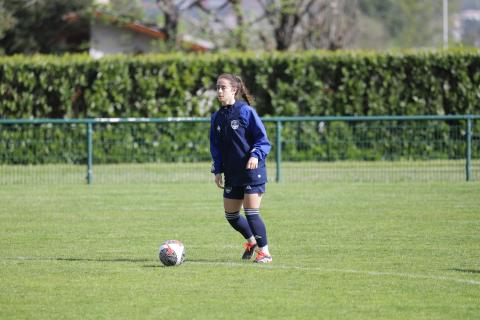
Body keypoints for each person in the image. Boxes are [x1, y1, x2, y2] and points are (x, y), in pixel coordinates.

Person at [209, 73, 273, 263]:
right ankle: (251, 242)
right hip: (232, 172)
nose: (219, 91)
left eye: (223, 87)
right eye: (218, 87)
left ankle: (265, 253)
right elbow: (216, 147)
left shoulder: (246, 111)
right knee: (231, 215)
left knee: (251, 212)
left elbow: (263, 140)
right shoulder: (217, 117)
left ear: (234, 90)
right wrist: (218, 170)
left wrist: (255, 155)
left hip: (253, 170)